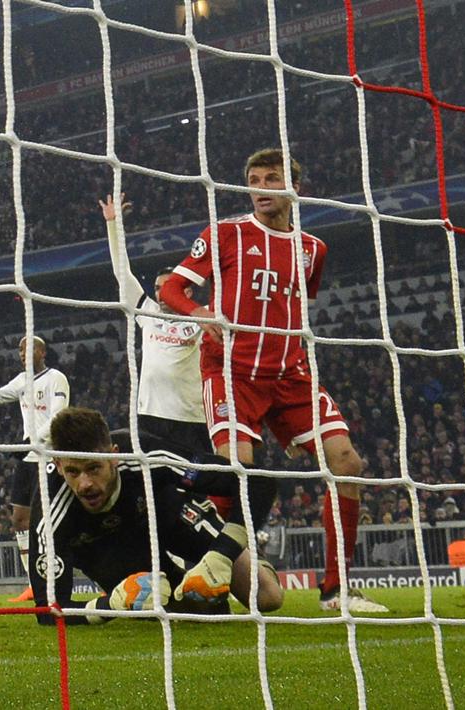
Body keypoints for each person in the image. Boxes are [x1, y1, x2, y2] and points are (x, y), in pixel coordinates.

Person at [159, 149, 387, 613]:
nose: (261, 188)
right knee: (236, 475)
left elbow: (295, 305)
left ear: (293, 189)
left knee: (347, 463)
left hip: (290, 376)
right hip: (231, 373)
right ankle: (206, 569)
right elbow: (171, 289)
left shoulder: (312, 250)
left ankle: (337, 590)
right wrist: (201, 312)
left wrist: (285, 424)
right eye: (254, 180)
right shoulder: (226, 234)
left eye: (271, 179)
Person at [28, 407, 283, 624]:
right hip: (108, 550)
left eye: (94, 468)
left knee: (268, 597)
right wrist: (111, 605)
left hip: (168, 513)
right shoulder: (50, 505)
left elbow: (257, 482)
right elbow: (47, 609)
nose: (85, 484)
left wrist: (222, 555)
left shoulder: (145, 454)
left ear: (114, 456)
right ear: (59, 466)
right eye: (73, 472)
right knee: (193, 612)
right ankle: (183, 581)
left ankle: (243, 560)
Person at [100, 195, 208, 454]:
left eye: (167, 288)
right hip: (151, 416)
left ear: (188, 292)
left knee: (198, 485)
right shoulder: (148, 312)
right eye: (158, 288)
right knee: (155, 485)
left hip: (192, 418)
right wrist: (113, 225)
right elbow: (122, 274)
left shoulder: (203, 319)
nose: (160, 294)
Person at [0, 335, 71, 599]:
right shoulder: (21, 381)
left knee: (47, 520)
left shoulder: (56, 378)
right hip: (29, 458)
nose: (20, 353)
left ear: (41, 351)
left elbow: (58, 417)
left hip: (50, 456)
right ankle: (33, 583)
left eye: (25, 348)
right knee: (18, 519)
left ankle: (56, 576)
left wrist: (31, 441)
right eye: (18, 349)